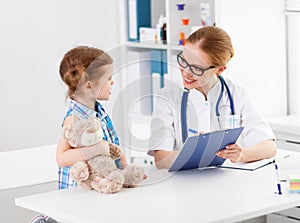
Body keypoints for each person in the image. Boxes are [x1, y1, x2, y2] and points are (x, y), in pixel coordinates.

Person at [148, 26, 277, 169]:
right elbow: (161, 160)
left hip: (229, 182)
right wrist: (196, 151)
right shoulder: (168, 96)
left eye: (197, 68)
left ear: (220, 69)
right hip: (185, 185)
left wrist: (242, 155)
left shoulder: (236, 94)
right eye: (183, 61)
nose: (186, 72)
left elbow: (269, 147)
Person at [30, 46, 128, 223]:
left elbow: (113, 145)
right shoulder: (74, 118)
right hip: (79, 195)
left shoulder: (99, 111)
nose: (113, 83)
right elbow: (61, 158)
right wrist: (95, 149)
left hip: (101, 190)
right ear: (89, 86)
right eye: (109, 79)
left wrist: (125, 170)